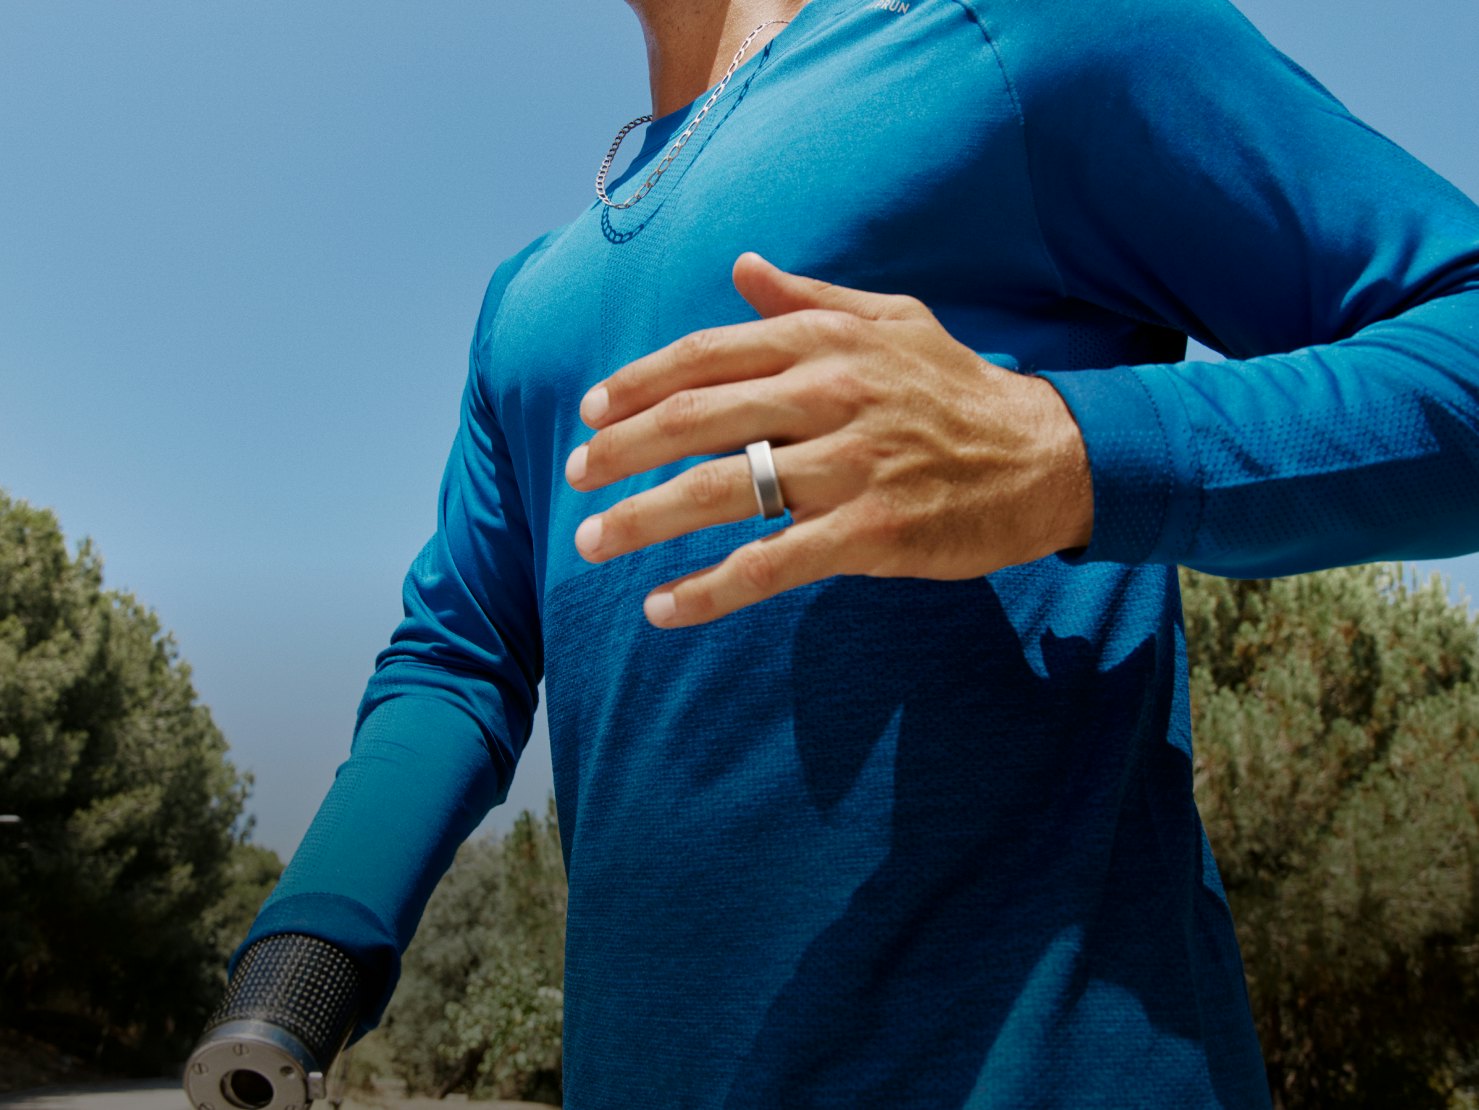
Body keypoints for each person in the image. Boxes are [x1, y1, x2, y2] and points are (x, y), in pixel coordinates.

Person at [234, 0, 1479, 1105]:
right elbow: (460, 658)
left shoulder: (1029, 35)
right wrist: (297, 973)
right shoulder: (527, 303)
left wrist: (1067, 450)